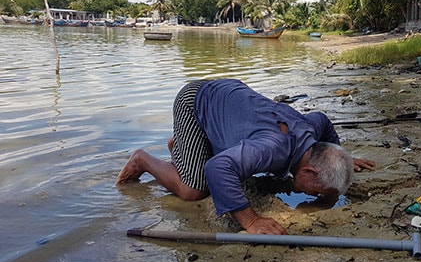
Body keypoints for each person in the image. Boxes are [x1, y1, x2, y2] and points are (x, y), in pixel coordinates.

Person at [116, 79, 375, 235]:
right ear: (309, 172)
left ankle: (182, 150)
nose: (318, 196)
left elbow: (324, 120)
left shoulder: (311, 130)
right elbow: (218, 168)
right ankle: (143, 159)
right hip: (194, 101)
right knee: (193, 191)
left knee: (233, 159)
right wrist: (251, 220)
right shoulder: (273, 148)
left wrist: (342, 159)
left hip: (228, 97)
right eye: (320, 191)